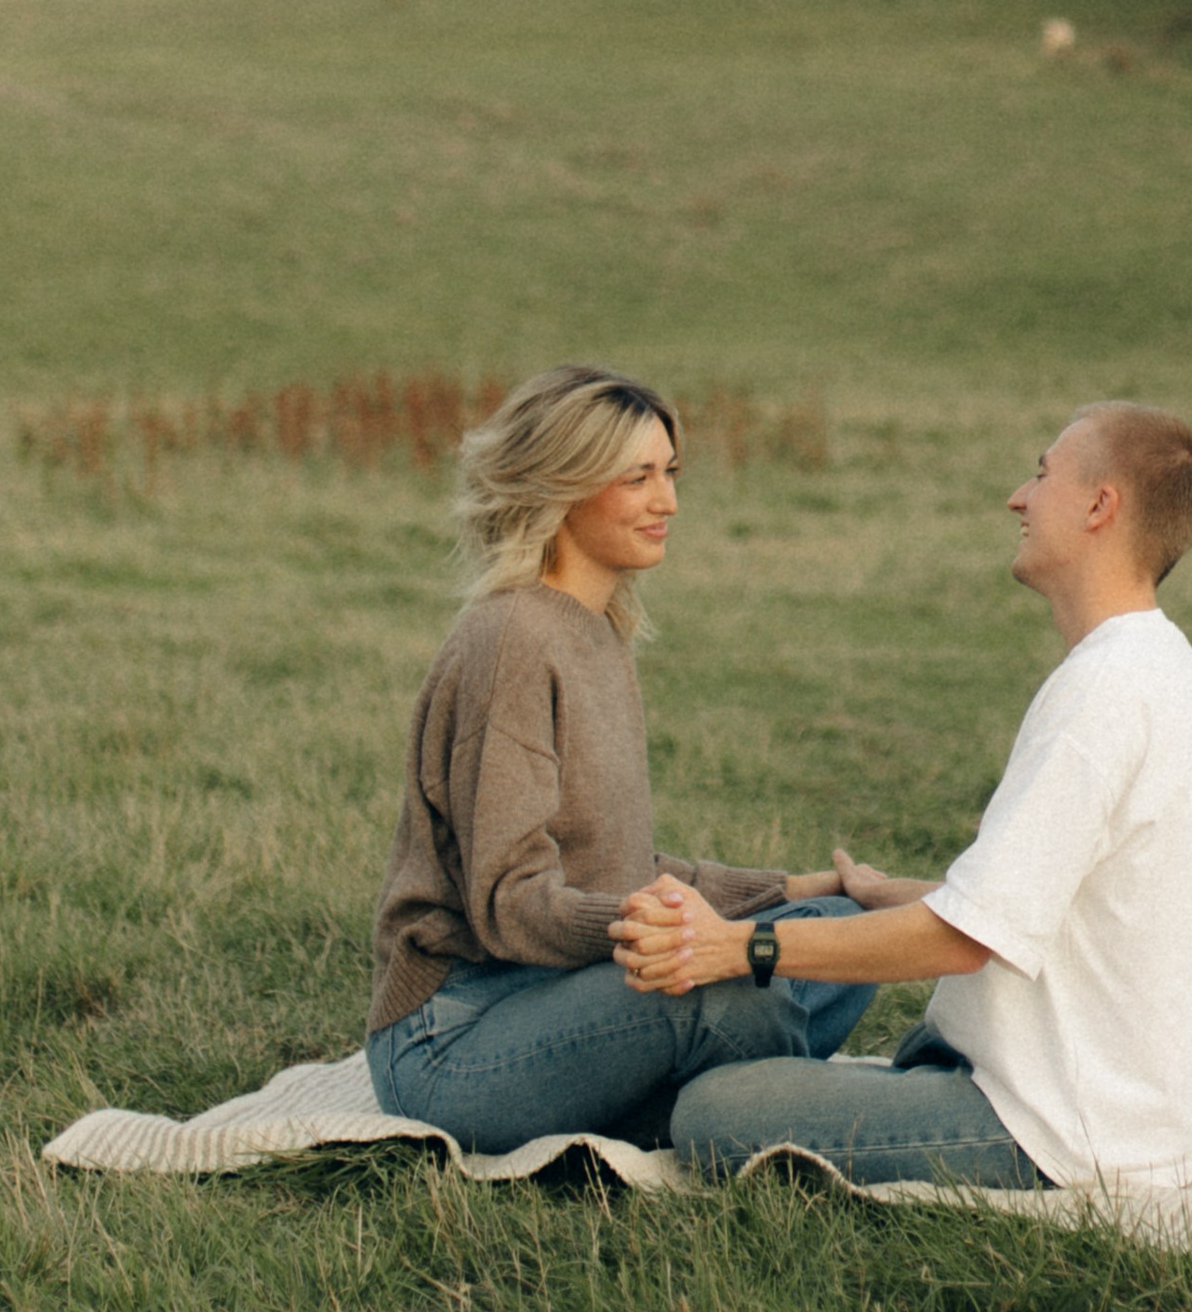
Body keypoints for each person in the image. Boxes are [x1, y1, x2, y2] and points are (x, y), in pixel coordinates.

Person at [616, 401, 1192, 1193]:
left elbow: (960, 944)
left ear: (1098, 505)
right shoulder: (1173, 673)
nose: (1019, 496)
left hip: (1067, 1131)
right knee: (867, 1053)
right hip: (1146, 1109)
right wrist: (892, 896)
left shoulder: (1103, 696)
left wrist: (737, 947)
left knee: (711, 1113)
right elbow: (1079, 909)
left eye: (1043, 474)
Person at [365, 364, 871, 1153]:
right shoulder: (512, 640)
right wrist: (682, 935)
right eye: (637, 478)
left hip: (568, 992)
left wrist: (806, 888)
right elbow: (510, 902)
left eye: (669, 473)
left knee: (841, 935)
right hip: (456, 1038)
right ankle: (729, 1110)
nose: (668, 501)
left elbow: (618, 866)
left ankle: (685, 1099)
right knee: (740, 992)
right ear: (562, 486)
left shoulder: (599, 632)